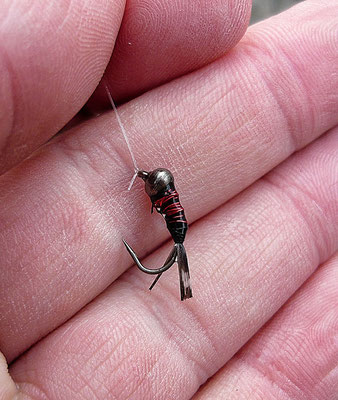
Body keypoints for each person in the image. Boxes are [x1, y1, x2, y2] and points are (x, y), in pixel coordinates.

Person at [0, 0, 337, 398]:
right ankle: (181, 281)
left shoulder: (165, 199)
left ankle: (180, 279)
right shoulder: (162, 195)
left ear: (160, 194)